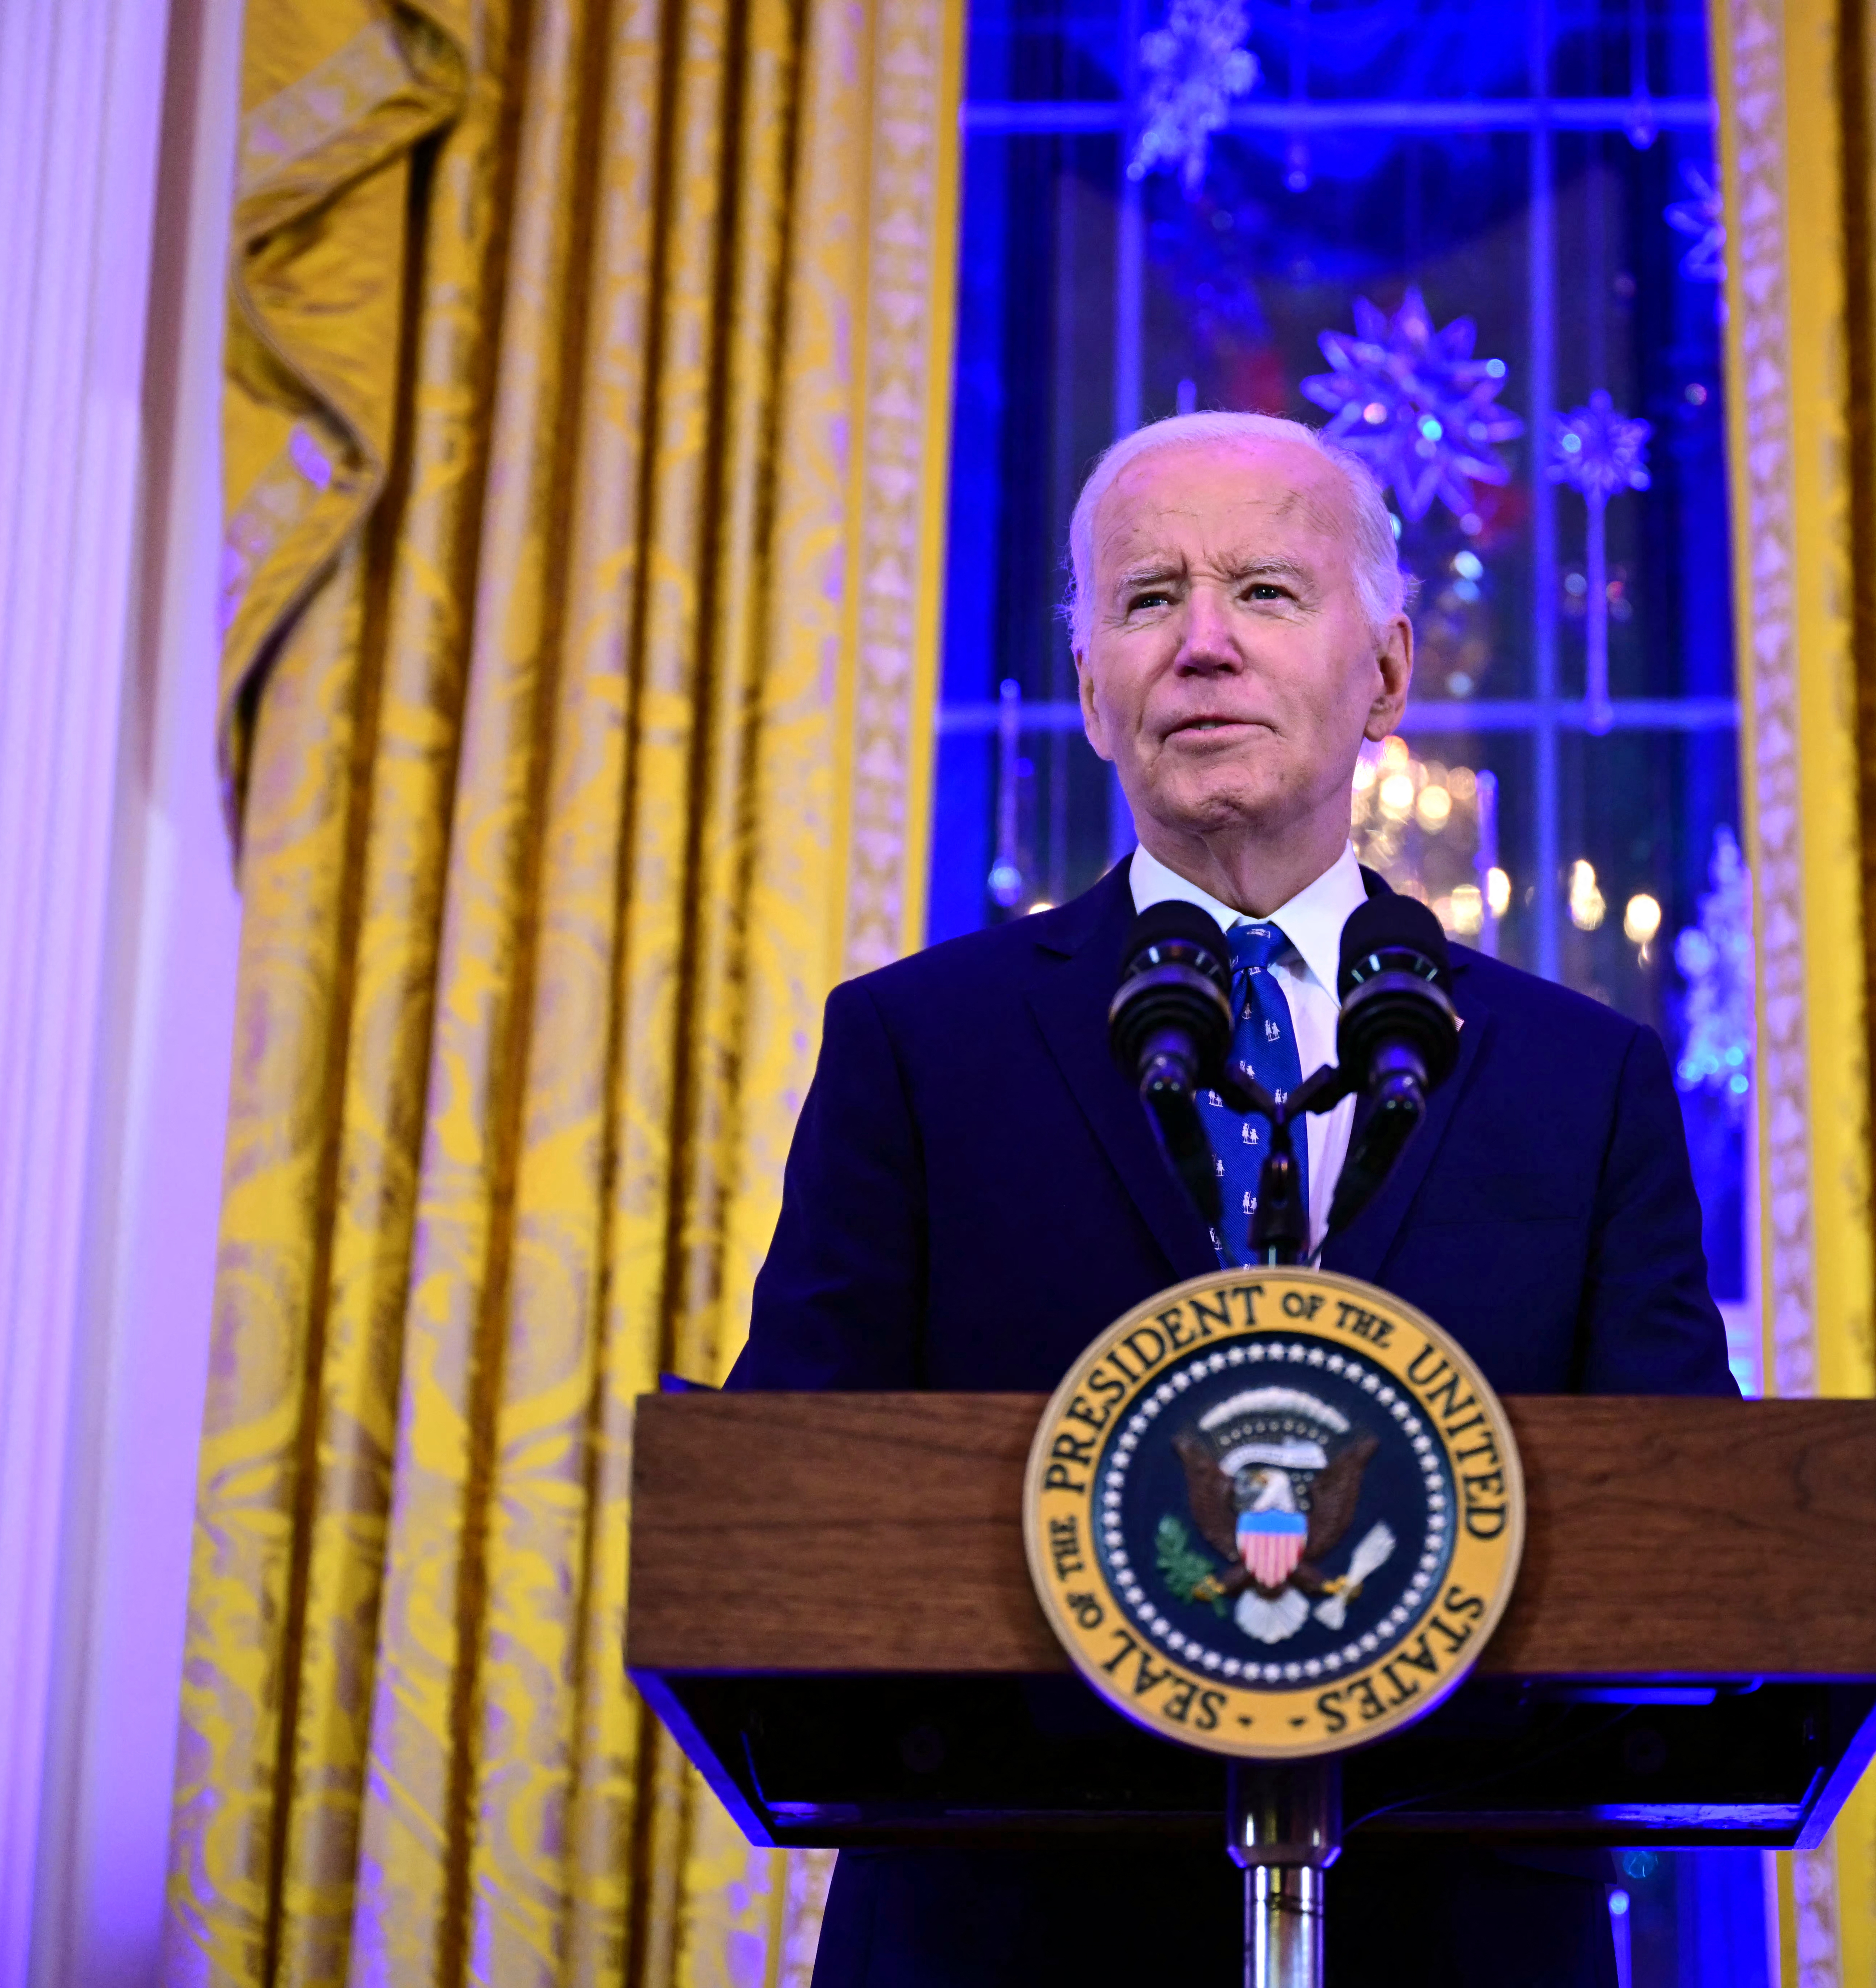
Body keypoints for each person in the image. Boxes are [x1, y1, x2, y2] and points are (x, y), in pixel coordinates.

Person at [729, 410, 1737, 1985]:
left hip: (1457, 1926)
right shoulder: (915, 1046)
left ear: (1385, 671)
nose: (1199, 642)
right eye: (1144, 598)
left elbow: (1692, 1535)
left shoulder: (1579, 1074)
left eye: (1264, 590)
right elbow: (791, 1505)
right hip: (1010, 1927)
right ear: (1088, 692)